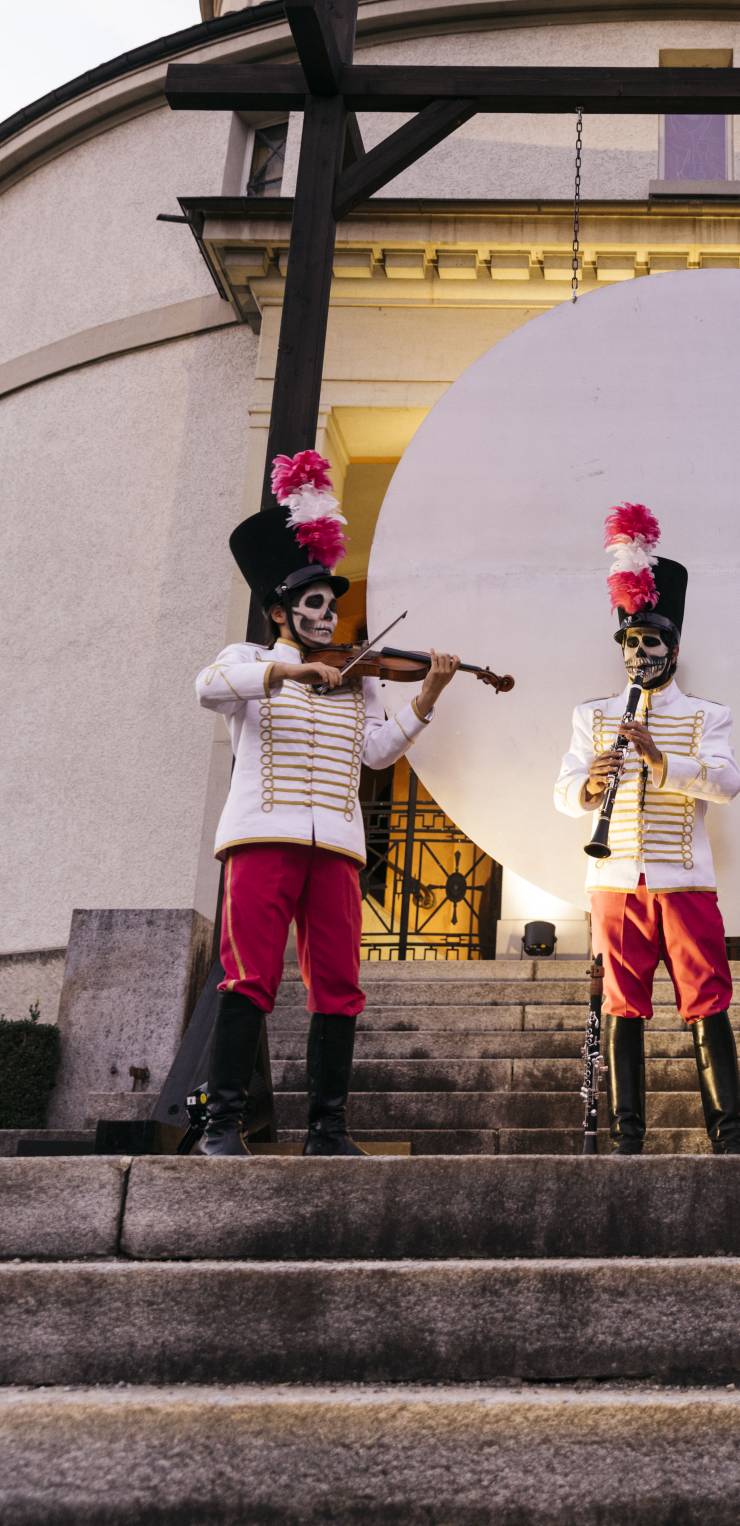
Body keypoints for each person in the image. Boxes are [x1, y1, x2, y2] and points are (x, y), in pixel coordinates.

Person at [194, 448, 458, 1157]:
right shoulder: (247, 660)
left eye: (331, 603)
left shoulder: (357, 676)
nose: (327, 613)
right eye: (312, 603)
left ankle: (327, 1128)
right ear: (280, 610)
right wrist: (291, 671)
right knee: (249, 976)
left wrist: (425, 698)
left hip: (337, 848)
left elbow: (375, 751)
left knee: (338, 987)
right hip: (261, 840)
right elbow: (209, 687)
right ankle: (219, 1122)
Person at [554, 503, 740, 1154]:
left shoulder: (705, 715)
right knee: (622, 1002)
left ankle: (729, 1137)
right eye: (632, 643)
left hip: (684, 879)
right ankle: (627, 1136)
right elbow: (562, 794)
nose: (640, 654)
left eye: (652, 642)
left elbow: (727, 782)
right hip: (614, 880)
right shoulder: (594, 714)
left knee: (707, 1000)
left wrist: (663, 760)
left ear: (674, 647)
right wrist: (589, 784)